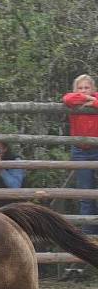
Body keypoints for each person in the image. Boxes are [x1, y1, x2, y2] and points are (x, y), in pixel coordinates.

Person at [62, 74, 98, 235]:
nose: (84, 91)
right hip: (80, 151)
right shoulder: (74, 100)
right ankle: (89, 237)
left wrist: (94, 101)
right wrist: (86, 98)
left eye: (87, 87)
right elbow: (67, 99)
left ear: (93, 88)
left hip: (97, 148)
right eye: (80, 88)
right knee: (85, 195)